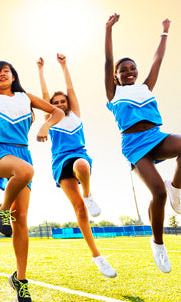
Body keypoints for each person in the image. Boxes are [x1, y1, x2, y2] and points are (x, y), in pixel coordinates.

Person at [0, 27, 64, 301]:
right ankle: (1, 211)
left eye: (6, 70)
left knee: (21, 220)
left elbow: (57, 110)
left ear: (13, 76)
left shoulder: (26, 98)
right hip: (0, 153)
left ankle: (20, 280)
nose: (2, 74)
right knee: (25, 172)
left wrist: (45, 125)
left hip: (23, 152)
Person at [105, 13, 179, 273]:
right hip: (135, 146)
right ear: (116, 75)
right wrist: (109, 29)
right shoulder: (114, 93)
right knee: (157, 193)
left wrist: (165, 32)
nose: (129, 72)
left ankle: (177, 190)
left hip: (155, 137)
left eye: (132, 68)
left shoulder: (146, 86)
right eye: (123, 70)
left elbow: (158, 59)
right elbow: (107, 60)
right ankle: (158, 243)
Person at [37, 54, 116, 278]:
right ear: (51, 107)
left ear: (68, 104)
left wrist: (64, 65)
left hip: (79, 155)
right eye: (56, 103)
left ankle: (89, 193)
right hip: (60, 162)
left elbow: (70, 88)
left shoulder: (76, 115)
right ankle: (97, 256)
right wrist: (41, 69)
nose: (60, 104)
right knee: (79, 209)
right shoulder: (50, 119)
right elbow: (43, 96)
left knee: (81, 164)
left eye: (63, 102)